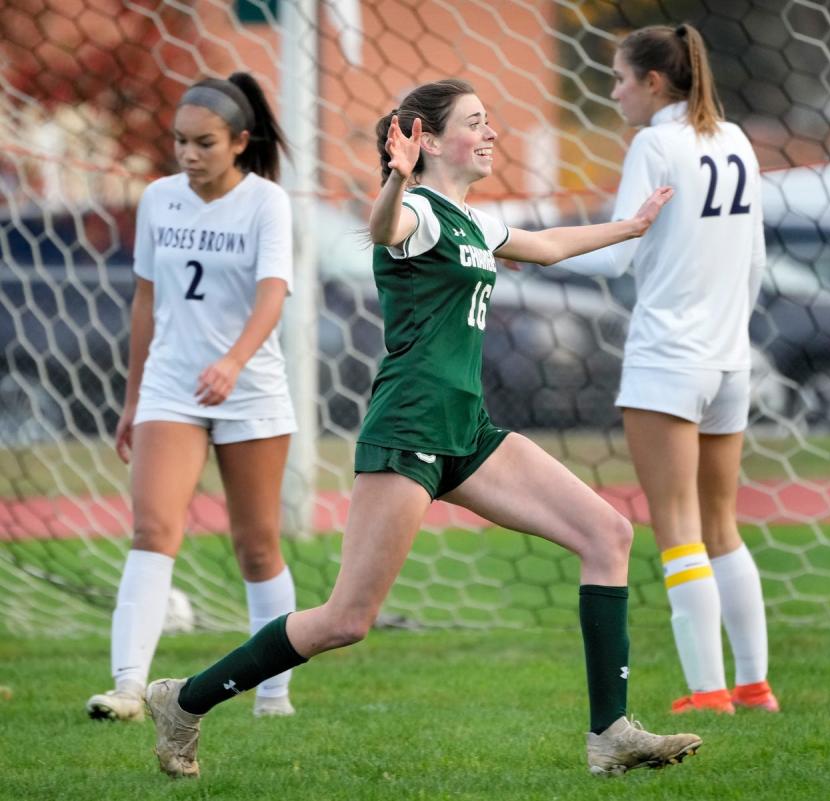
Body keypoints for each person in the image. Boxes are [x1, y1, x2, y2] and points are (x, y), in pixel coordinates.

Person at [143, 78, 702, 779]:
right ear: (430, 141)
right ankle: (184, 701)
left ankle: (611, 731)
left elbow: (550, 246)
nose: (491, 131)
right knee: (346, 618)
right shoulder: (420, 215)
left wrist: (631, 226)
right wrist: (397, 183)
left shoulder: (470, 218)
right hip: (409, 426)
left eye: (490, 119)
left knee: (607, 533)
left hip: (466, 430)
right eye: (475, 121)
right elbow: (386, 229)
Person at [552, 24, 778, 715]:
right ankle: (755, 685)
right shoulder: (735, 139)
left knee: (677, 525)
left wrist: (524, 247)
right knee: (722, 525)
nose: (613, 91)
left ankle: (709, 692)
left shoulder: (654, 143)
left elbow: (618, 249)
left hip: (668, 359)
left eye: (620, 78)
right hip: (728, 361)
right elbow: (757, 261)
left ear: (654, 81)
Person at [85, 72, 299, 723]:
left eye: (203, 142)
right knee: (153, 527)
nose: (188, 154)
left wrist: (234, 362)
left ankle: (274, 693)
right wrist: (131, 399)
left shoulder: (268, 203)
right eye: (179, 141)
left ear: (239, 141)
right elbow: (145, 300)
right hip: (170, 388)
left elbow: (273, 294)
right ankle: (127, 686)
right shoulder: (158, 199)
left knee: (257, 544)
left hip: (251, 389)